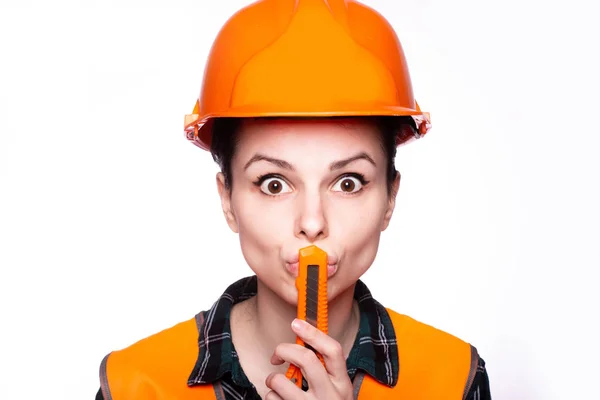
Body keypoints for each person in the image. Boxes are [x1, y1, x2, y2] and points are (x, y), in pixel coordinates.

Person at [96, 0, 492, 399]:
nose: (312, 221)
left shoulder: (452, 378)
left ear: (390, 198)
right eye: (273, 184)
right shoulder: (135, 384)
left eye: (349, 183)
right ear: (228, 200)